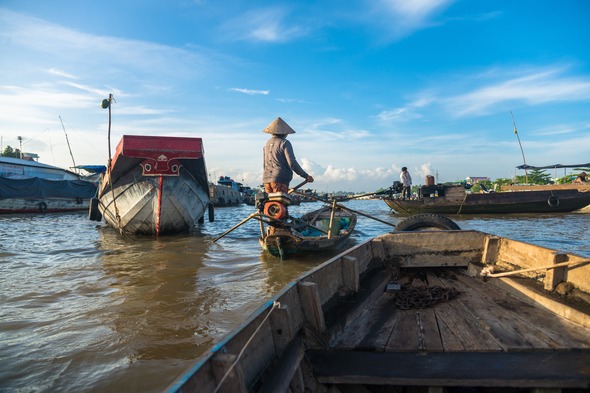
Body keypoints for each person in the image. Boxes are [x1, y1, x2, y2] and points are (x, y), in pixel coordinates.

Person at [262, 117, 314, 195]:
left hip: (266, 180)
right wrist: (305, 176)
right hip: (280, 180)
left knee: (271, 205)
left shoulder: (266, 144)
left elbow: (264, 165)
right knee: (280, 204)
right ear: (284, 133)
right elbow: (292, 162)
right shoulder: (284, 143)